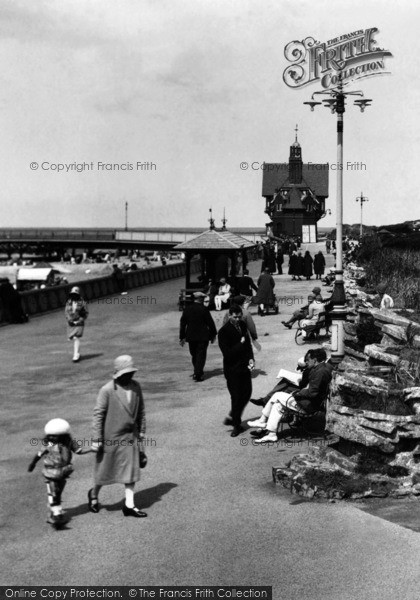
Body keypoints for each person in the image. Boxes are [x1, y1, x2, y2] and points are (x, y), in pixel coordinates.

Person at [89, 355, 148, 518]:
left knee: (131, 470)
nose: (130, 376)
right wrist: (96, 439)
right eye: (126, 373)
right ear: (118, 374)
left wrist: (141, 432)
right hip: (110, 437)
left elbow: (141, 411)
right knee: (104, 471)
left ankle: (129, 505)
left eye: (131, 373)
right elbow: (98, 415)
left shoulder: (136, 387)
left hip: (130, 437)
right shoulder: (107, 389)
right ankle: (93, 494)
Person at [250, 349, 332, 443]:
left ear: (315, 360)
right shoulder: (324, 368)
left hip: (308, 405)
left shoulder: (320, 372)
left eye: (308, 360)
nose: (306, 362)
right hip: (309, 402)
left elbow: (312, 392)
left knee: (277, 395)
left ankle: (263, 420)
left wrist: (297, 393)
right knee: (278, 405)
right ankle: (271, 433)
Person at [28, 418, 93, 528]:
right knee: (54, 493)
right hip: (50, 471)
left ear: (63, 435)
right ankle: (57, 515)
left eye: (55, 436)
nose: (51, 438)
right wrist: (33, 463)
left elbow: (79, 451)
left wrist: (92, 449)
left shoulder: (69, 442)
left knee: (58, 491)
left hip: (63, 472)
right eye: (50, 435)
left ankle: (53, 511)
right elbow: (39, 454)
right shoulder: (48, 444)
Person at [218, 305, 255, 437]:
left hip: (244, 367)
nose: (237, 319)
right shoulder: (223, 332)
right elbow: (227, 353)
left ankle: (233, 416)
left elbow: (249, 345)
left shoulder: (243, 326)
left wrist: (251, 359)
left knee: (247, 393)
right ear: (229, 316)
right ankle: (236, 425)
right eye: (235, 317)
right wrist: (240, 343)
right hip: (232, 369)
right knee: (236, 396)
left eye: (239, 316)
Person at [179, 291, 217, 382]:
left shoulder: (187, 309)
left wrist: (182, 337)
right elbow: (210, 323)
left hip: (191, 336)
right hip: (203, 336)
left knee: (194, 355)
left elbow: (183, 324)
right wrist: (213, 334)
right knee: (201, 355)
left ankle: (197, 371)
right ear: (200, 299)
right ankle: (198, 373)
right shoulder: (204, 309)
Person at [64, 286, 88, 362]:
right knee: (72, 338)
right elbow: (66, 312)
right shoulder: (68, 302)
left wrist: (79, 320)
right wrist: (69, 320)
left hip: (79, 323)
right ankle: (76, 354)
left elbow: (85, 313)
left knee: (76, 337)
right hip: (71, 322)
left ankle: (76, 354)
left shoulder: (83, 302)